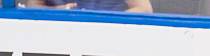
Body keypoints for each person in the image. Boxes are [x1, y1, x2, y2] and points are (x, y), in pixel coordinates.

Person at [22, 0, 153, 13]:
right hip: (58, 38)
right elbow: (32, 7)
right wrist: (56, 12)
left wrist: (105, 20)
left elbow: (144, 9)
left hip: (110, 40)